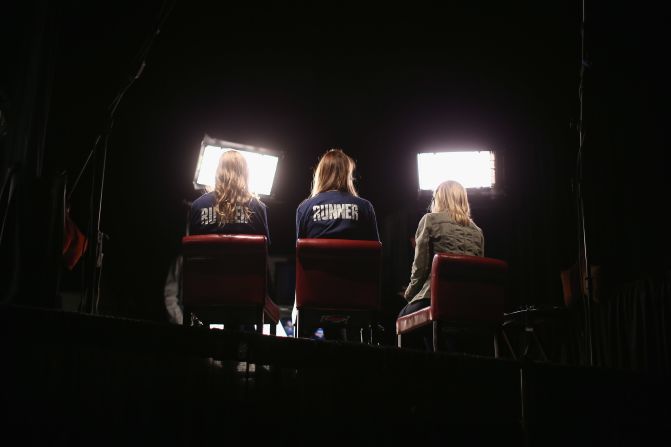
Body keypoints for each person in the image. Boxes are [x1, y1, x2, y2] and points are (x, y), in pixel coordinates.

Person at [164, 150, 270, 325]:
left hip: (205, 298)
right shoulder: (258, 208)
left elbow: (194, 254)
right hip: (246, 298)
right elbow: (264, 254)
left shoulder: (198, 207)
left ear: (218, 172)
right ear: (245, 173)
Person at [293, 148, 380, 338]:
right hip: (355, 295)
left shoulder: (305, 208)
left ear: (321, 174)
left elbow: (300, 259)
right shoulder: (365, 207)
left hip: (315, 295)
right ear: (347, 174)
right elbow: (375, 258)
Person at [399, 180, 484, 349]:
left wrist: (409, 294)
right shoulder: (477, 231)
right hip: (468, 304)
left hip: (435, 298)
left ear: (439, 199)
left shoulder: (429, 220)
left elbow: (420, 267)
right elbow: (479, 273)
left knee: (404, 318)